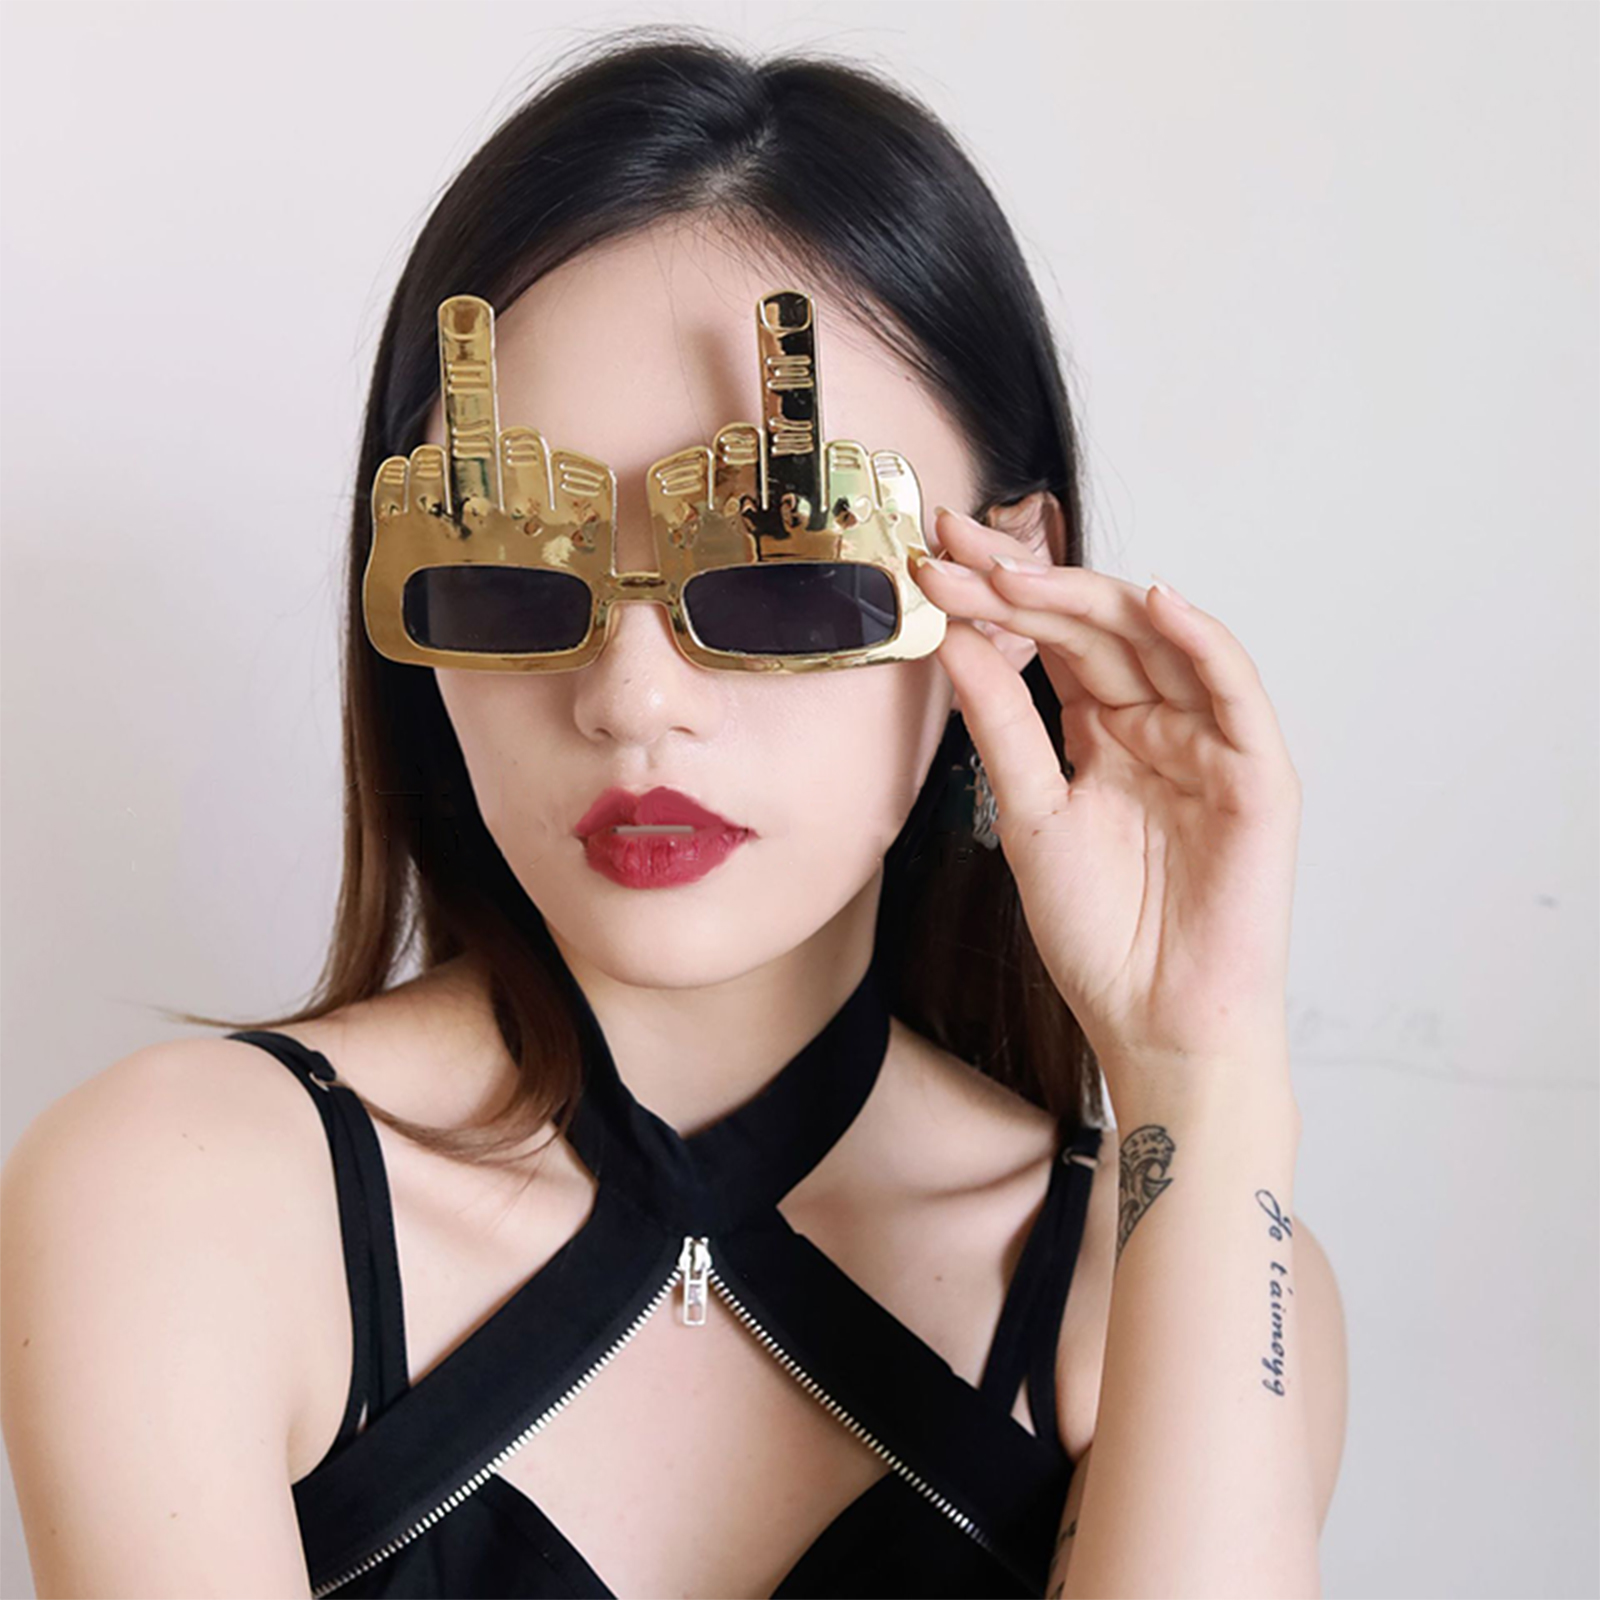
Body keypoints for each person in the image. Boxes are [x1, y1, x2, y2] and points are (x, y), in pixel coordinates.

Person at [0, 26, 1347, 1600]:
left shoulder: (1176, 1280)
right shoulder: (191, 1201)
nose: (632, 700)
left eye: (783, 579)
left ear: (1009, 583)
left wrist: (1204, 1074)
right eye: (510, 571)